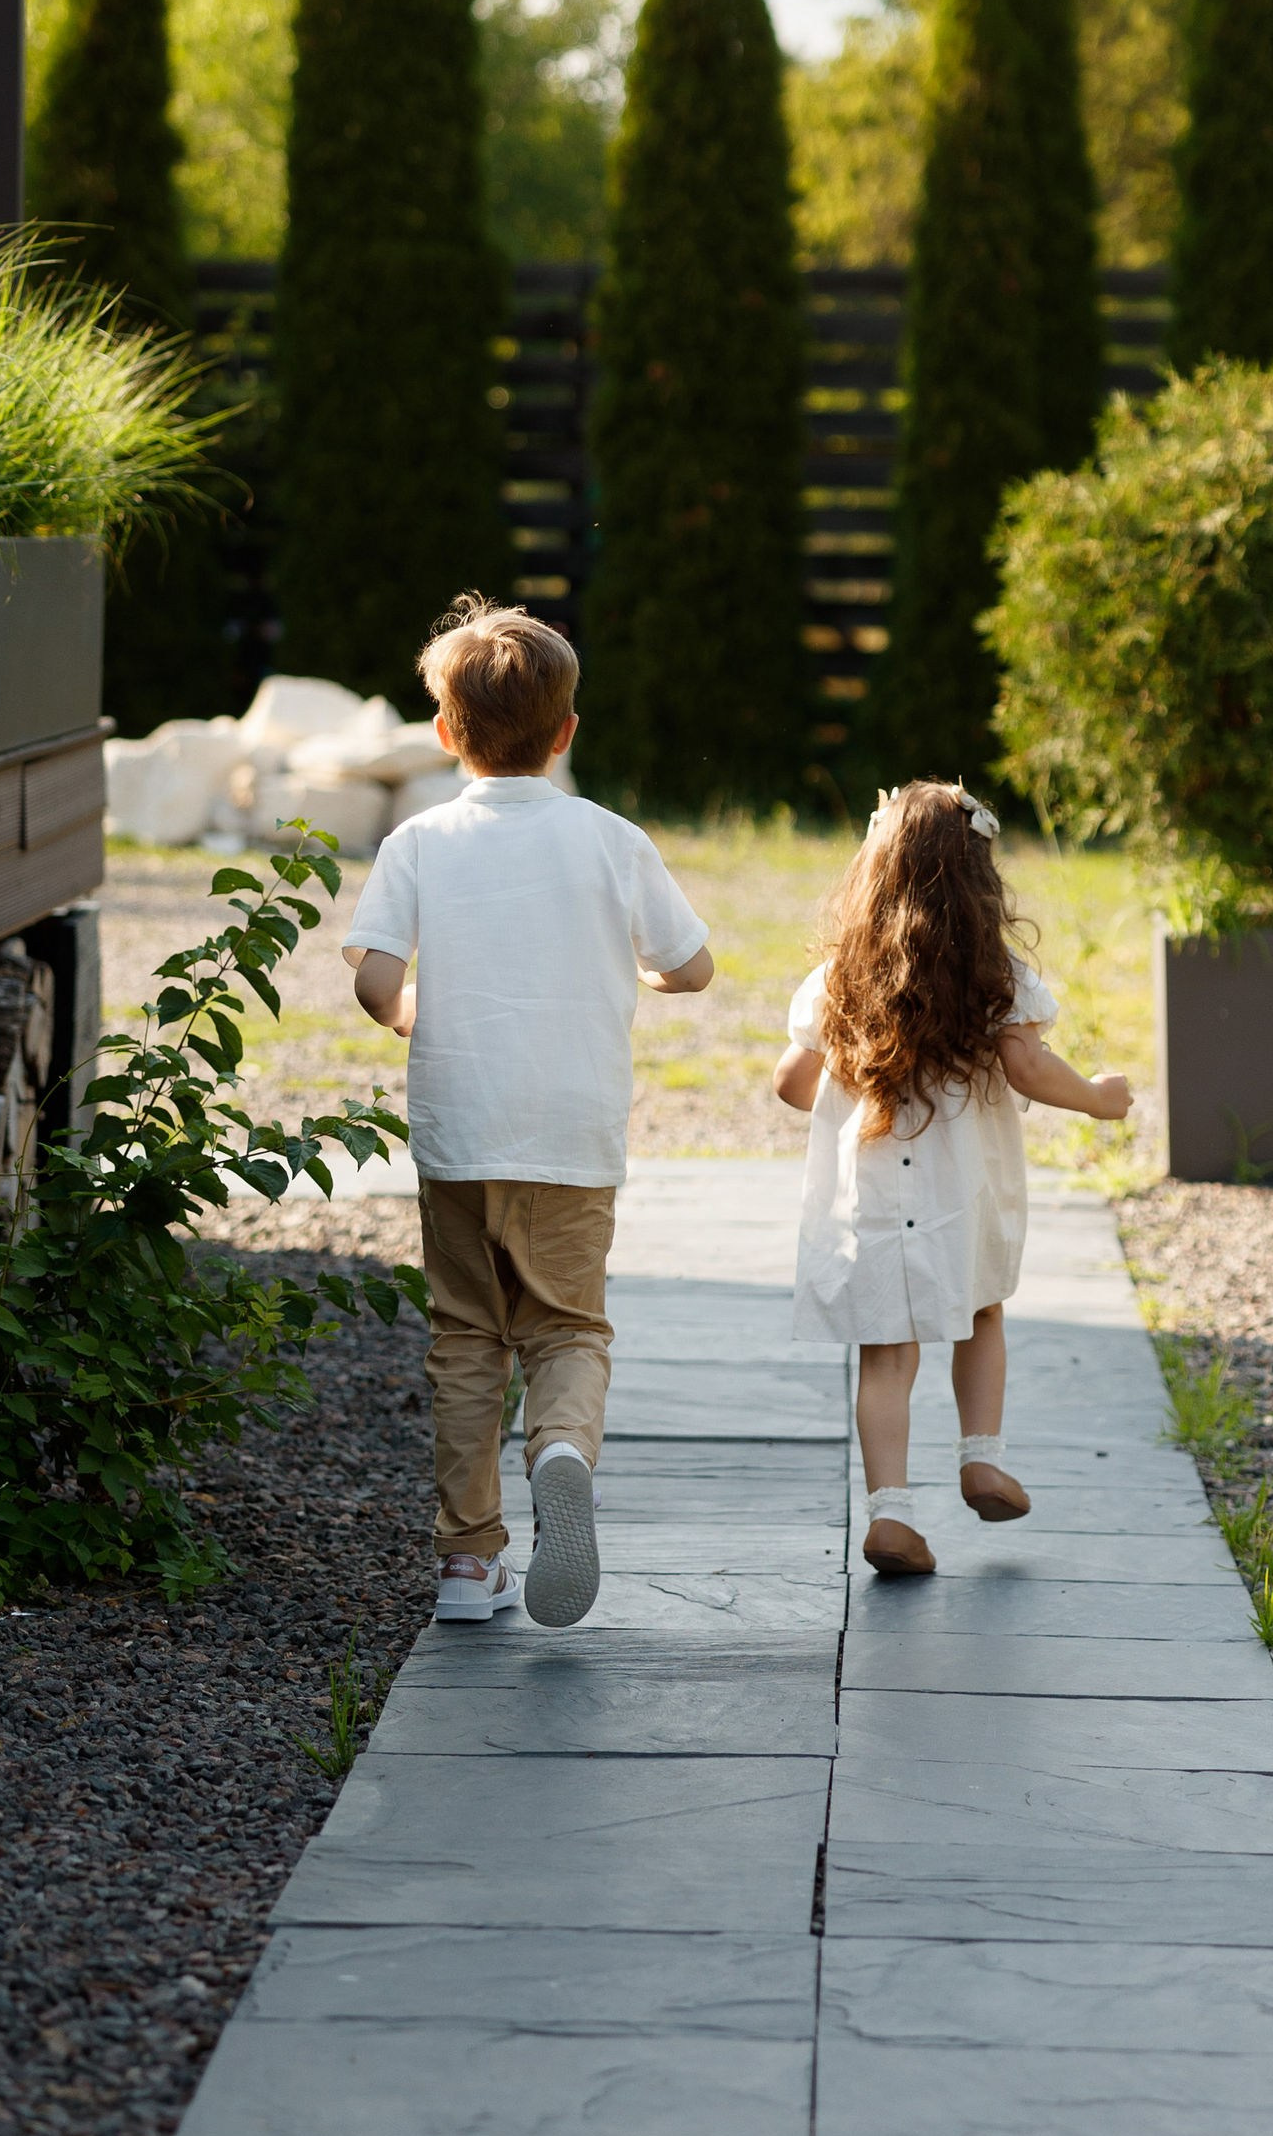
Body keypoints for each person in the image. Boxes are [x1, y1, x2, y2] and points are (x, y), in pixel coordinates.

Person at [344, 595, 713, 1628]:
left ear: (444, 735)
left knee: (465, 1337)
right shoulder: (610, 840)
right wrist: (645, 973)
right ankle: (559, 1447)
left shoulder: (418, 841)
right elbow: (694, 965)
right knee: (565, 1328)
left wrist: (412, 1009)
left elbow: (373, 979)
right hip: (570, 1133)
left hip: (459, 1129)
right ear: (567, 733)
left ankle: (467, 1565)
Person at [774, 781, 1131, 1577]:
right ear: (980, 878)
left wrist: (849, 1081)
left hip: (871, 1198)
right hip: (960, 1192)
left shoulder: (839, 978)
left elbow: (791, 1085)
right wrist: (1100, 1100)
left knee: (886, 1356)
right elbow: (1030, 1065)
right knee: (982, 1311)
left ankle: (890, 1512)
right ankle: (982, 1459)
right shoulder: (996, 973)